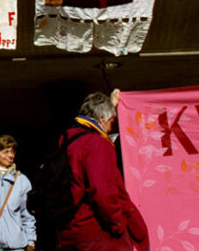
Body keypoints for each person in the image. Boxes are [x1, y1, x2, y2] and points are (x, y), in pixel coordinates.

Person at [56, 91, 148, 251]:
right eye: (112, 121)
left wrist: (111, 103)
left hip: (70, 230)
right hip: (97, 232)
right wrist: (118, 222)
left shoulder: (68, 141)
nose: (111, 127)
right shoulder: (97, 144)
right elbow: (102, 189)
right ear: (101, 120)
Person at [0, 135, 36, 251]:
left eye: (12, 151)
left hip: (16, 245)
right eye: (6, 152)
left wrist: (30, 241)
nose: (11, 155)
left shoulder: (22, 181)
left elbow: (27, 214)